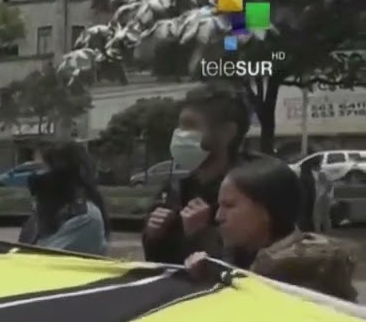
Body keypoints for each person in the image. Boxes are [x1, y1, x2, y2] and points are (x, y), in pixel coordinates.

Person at [186, 156, 356, 301]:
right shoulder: (244, 258)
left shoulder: (298, 276)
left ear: (267, 211)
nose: (218, 217)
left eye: (229, 206)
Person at [144, 83, 256, 264]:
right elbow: (159, 263)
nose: (180, 135)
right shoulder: (175, 188)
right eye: (179, 126)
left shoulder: (251, 192)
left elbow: (248, 267)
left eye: (190, 126)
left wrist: (203, 234)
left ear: (228, 132)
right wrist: (154, 236)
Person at [20, 142, 109, 256]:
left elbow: (41, 259)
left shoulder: (85, 217)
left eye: (45, 170)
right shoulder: (48, 212)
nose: (37, 176)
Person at [313, 162, 335, 233]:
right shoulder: (324, 173)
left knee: (318, 215)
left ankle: (319, 230)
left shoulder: (321, 173)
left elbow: (327, 185)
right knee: (325, 215)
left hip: (321, 198)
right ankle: (327, 230)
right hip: (326, 198)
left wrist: (321, 196)